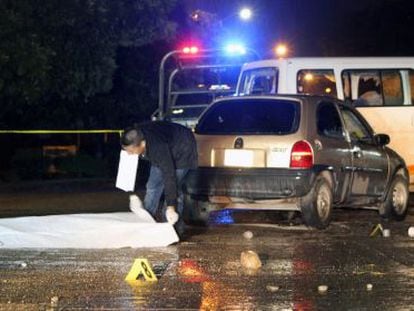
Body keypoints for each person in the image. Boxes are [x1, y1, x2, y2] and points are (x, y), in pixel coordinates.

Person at [120, 121, 198, 236]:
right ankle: (145, 219)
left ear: (142, 144)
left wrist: (171, 206)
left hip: (183, 148)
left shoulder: (158, 148)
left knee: (174, 187)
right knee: (152, 185)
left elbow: (169, 176)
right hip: (166, 143)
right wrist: (131, 192)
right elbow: (128, 168)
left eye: (131, 151)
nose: (129, 154)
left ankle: (172, 227)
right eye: (127, 150)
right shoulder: (135, 136)